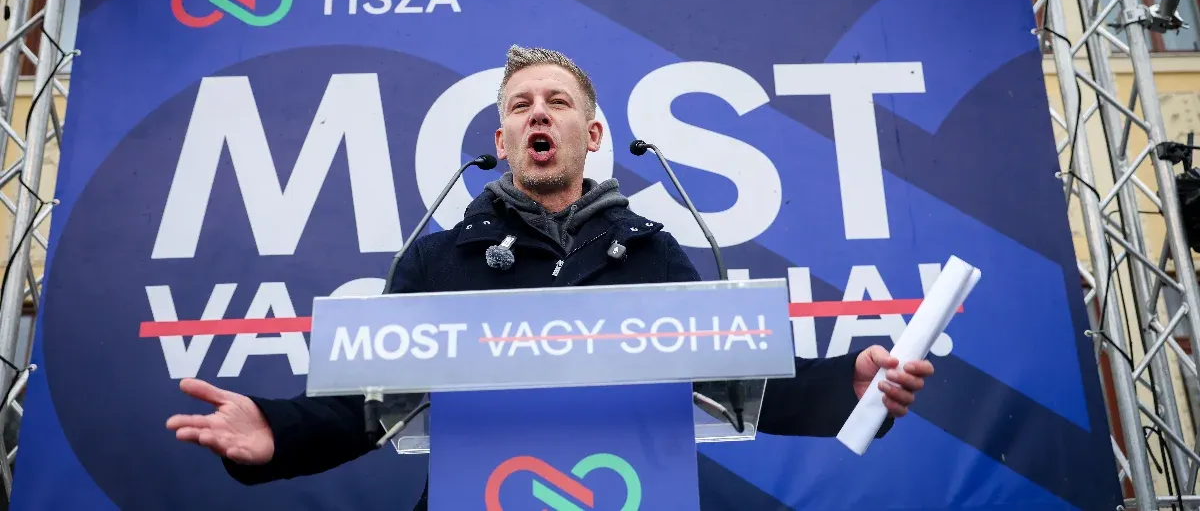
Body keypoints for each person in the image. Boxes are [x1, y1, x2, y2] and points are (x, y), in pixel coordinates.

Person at [167, 45, 935, 508]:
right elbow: (369, 406)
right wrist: (277, 429)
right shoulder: (437, 262)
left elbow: (737, 382)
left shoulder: (654, 255)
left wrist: (849, 385)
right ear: (501, 140)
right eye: (521, 105)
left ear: (591, 133)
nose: (539, 113)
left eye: (557, 102)